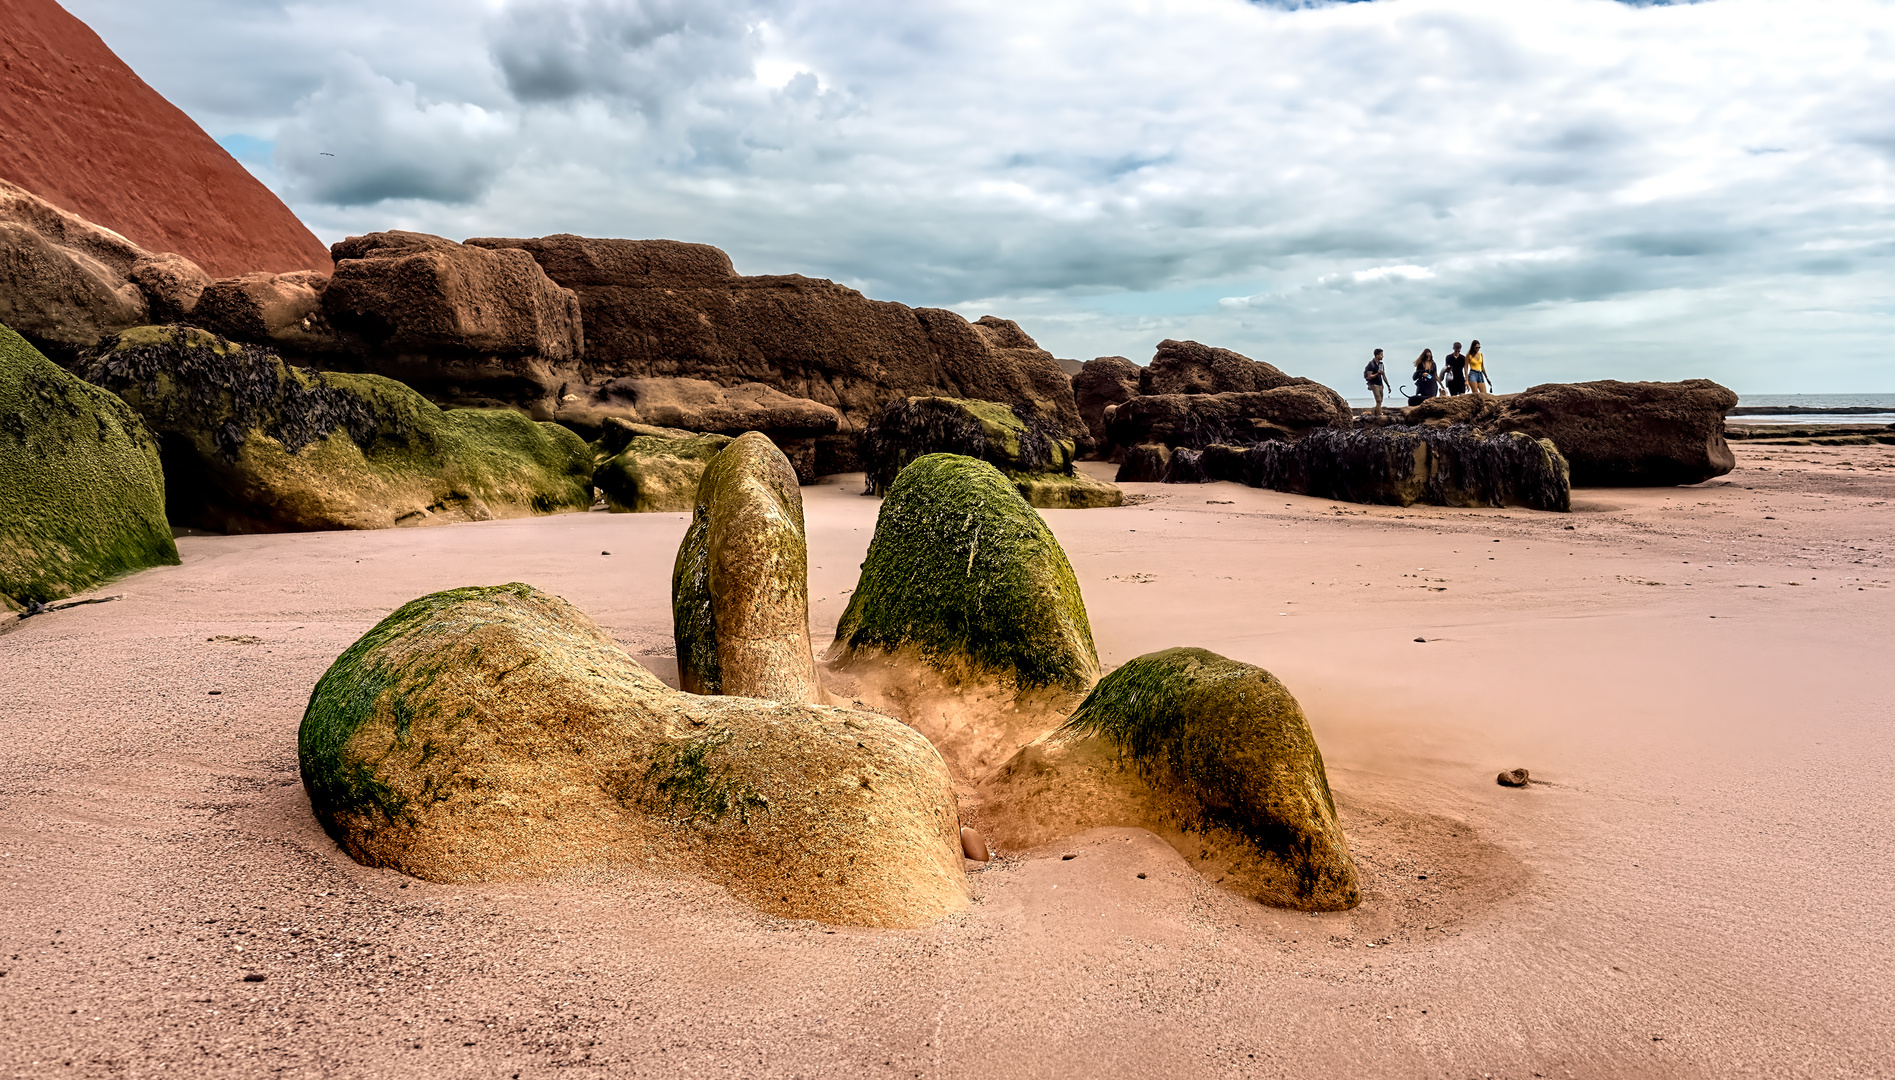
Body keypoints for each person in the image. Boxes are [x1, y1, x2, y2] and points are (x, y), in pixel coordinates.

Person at [1363, 348, 1391, 415]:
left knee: (1380, 401)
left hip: (1380, 384)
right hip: (1374, 384)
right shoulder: (1371, 364)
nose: (1382, 356)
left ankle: (1376, 414)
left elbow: (1384, 376)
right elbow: (1369, 376)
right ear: (1377, 355)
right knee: (1378, 401)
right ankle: (1378, 414)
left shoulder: (1381, 364)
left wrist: (1388, 385)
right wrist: (1377, 374)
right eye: (1381, 355)